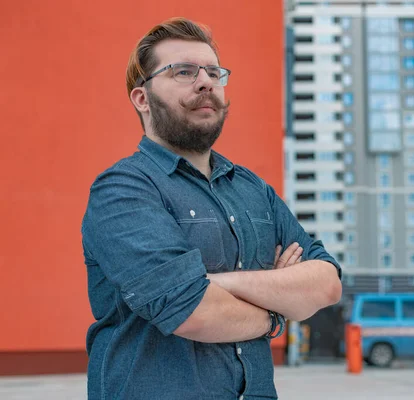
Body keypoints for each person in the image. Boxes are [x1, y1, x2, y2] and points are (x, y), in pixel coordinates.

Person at [81, 17, 342, 400]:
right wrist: (276, 312)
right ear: (142, 98)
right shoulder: (123, 189)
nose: (206, 82)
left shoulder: (253, 189)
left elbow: (327, 283)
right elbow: (191, 311)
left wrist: (217, 283)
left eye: (214, 72)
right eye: (183, 71)